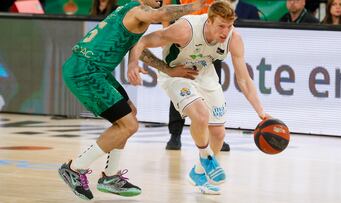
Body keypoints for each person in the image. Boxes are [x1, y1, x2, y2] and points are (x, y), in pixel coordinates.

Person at [58, 0, 206, 200]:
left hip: (96, 71)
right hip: (85, 71)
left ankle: (110, 177)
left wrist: (168, 70)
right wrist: (194, 6)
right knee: (129, 125)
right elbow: (160, 14)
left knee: (130, 114)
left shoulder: (135, 16)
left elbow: (139, 49)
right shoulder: (138, 9)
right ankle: (75, 168)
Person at [128, 0, 270, 194]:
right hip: (177, 75)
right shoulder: (185, 29)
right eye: (221, 26)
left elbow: (244, 80)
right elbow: (142, 41)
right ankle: (206, 156)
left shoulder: (234, 38)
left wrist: (261, 113)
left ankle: (200, 173)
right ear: (209, 21)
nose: (225, 32)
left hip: (204, 74)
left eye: (229, 26)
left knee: (219, 133)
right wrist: (141, 65)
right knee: (201, 115)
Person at [163, 0, 231, 152]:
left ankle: (215, 135)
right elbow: (167, 6)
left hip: (211, 37)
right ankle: (175, 135)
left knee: (212, 87)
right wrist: (167, 30)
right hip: (189, 35)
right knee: (181, 85)